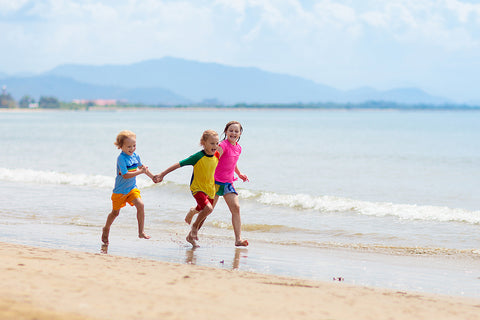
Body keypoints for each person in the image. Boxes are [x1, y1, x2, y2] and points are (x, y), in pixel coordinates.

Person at [185, 121, 249, 247]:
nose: (233, 133)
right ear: (225, 132)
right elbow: (212, 159)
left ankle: (238, 239)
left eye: (236, 131)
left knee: (236, 208)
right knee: (207, 210)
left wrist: (239, 174)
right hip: (214, 182)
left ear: (240, 133)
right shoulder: (222, 145)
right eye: (231, 130)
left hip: (228, 183)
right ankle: (191, 234)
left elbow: (233, 162)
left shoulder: (238, 147)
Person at [154, 130, 219, 247]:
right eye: (212, 143)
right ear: (203, 143)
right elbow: (179, 164)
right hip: (197, 188)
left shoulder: (217, 156)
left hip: (211, 189)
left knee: (204, 213)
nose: (215, 146)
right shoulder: (198, 156)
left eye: (216, 143)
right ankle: (194, 227)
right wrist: (162, 174)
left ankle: (190, 236)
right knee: (208, 209)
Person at [101, 130, 154, 245]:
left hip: (132, 189)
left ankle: (141, 232)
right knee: (115, 213)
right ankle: (106, 228)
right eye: (129, 146)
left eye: (134, 146)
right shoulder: (121, 159)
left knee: (141, 205)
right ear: (121, 146)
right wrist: (140, 172)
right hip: (120, 191)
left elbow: (142, 167)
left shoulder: (136, 156)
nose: (132, 149)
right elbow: (125, 175)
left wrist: (153, 177)